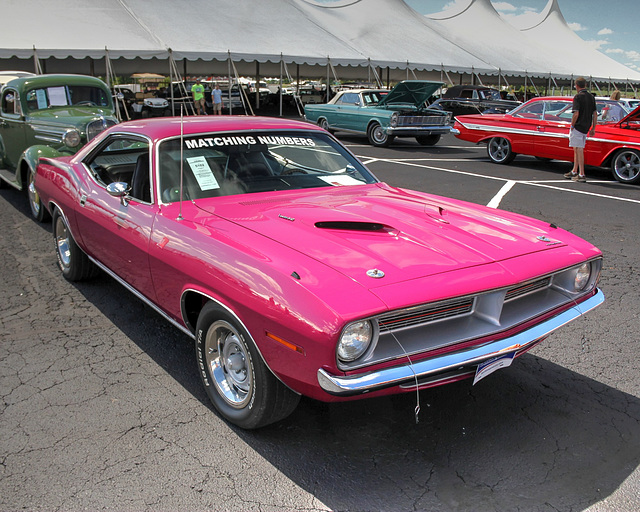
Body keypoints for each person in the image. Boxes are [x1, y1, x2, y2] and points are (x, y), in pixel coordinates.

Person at [564, 77, 597, 183]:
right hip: (586, 126)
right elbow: (595, 113)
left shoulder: (578, 97)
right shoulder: (591, 97)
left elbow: (576, 113)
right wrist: (593, 127)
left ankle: (581, 173)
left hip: (578, 126)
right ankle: (575, 170)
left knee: (578, 149)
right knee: (577, 148)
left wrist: (572, 125)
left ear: (577, 85)